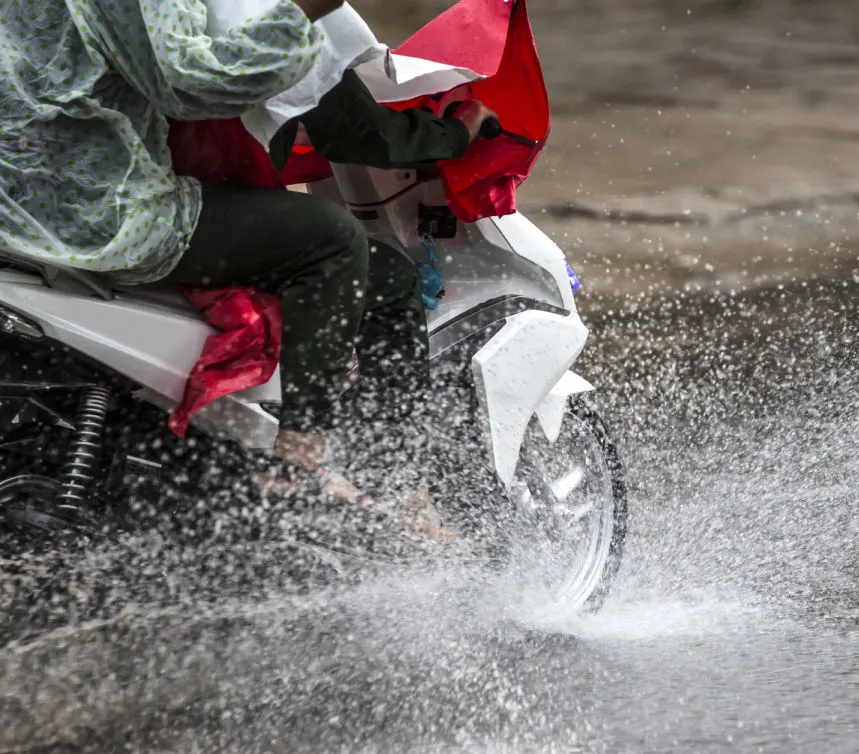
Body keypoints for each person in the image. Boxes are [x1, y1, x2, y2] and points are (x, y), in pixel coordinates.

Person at [0, 0, 495, 503]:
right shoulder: (250, 9)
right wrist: (451, 134)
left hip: (22, 202)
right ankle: (322, 468)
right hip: (92, 212)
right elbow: (205, 85)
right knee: (338, 242)